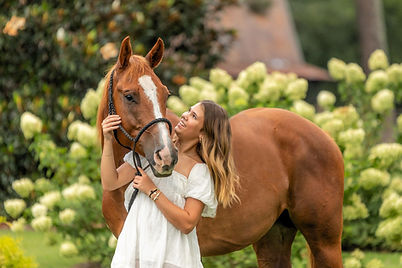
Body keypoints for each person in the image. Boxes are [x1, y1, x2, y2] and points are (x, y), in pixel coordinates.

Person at [101, 100, 239, 268]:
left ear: (203, 134)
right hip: (136, 251)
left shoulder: (198, 171)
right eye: (188, 110)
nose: (184, 115)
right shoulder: (153, 152)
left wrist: (152, 190)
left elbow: (188, 223)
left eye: (193, 116)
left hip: (171, 257)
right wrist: (107, 140)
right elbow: (110, 182)